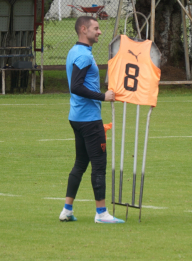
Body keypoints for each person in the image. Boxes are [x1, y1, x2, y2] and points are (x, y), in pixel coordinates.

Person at [59, 16, 124, 223]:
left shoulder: (75, 51)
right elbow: (76, 86)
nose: (99, 32)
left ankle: (67, 210)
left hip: (77, 117)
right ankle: (101, 213)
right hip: (89, 119)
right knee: (98, 164)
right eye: (96, 28)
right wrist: (103, 96)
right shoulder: (84, 56)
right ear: (83, 29)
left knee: (80, 163)